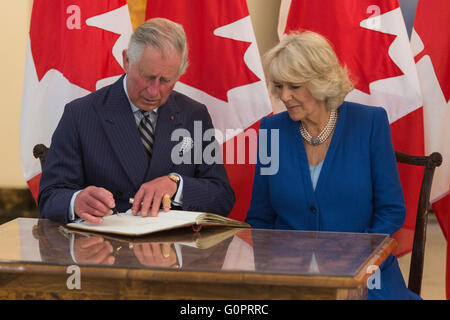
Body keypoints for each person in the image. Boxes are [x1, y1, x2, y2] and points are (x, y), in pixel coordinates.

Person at [245, 31, 420, 300]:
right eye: (279, 86)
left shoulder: (370, 123)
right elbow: (260, 217)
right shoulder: (271, 131)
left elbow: (391, 210)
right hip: (290, 277)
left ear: (320, 81)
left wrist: (360, 266)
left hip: (364, 274)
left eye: (294, 86)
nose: (284, 96)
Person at [38, 18, 235, 224]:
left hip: (173, 251)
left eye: (166, 80)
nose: (153, 91)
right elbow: (50, 197)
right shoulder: (80, 114)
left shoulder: (194, 115)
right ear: (126, 61)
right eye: (147, 76)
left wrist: (176, 185)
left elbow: (222, 197)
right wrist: (76, 201)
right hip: (104, 249)